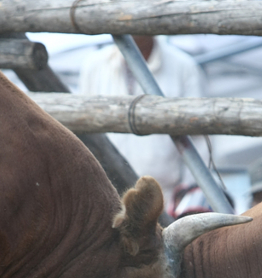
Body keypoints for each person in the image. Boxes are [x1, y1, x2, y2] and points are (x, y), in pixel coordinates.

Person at [79, 35, 206, 210]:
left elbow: (199, 139)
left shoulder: (183, 66)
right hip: (107, 195)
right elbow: (85, 133)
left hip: (165, 197)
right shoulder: (94, 66)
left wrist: (187, 192)